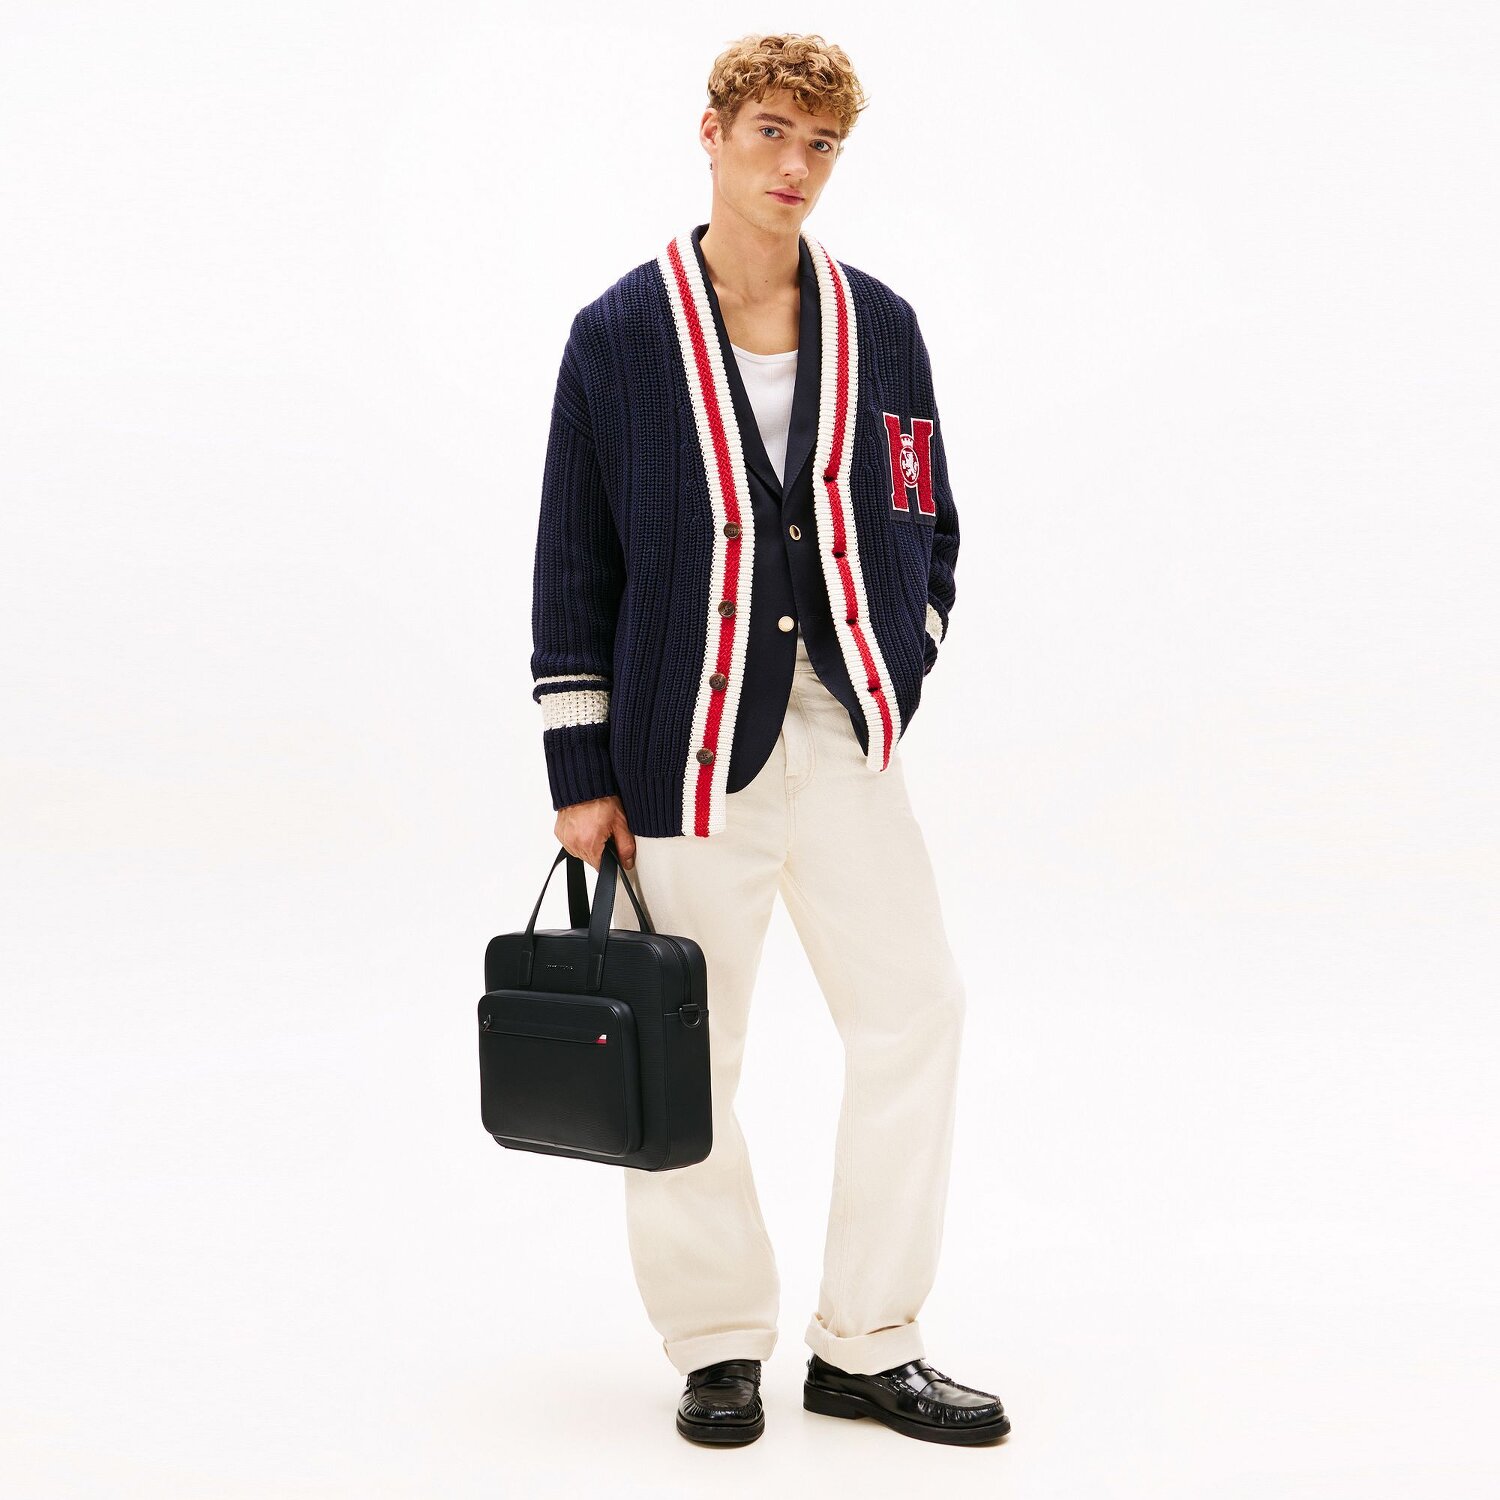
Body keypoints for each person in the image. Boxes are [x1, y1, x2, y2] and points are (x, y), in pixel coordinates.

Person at [528, 32, 1009, 1448]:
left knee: (916, 1011)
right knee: (688, 1053)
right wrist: (581, 773)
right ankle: (717, 1344)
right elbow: (573, 564)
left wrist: (903, 653)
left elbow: (925, 511)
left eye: (822, 145)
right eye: (772, 134)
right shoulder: (621, 333)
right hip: (679, 750)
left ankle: (868, 1342)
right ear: (713, 133)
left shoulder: (883, 325)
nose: (796, 166)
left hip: (845, 730)